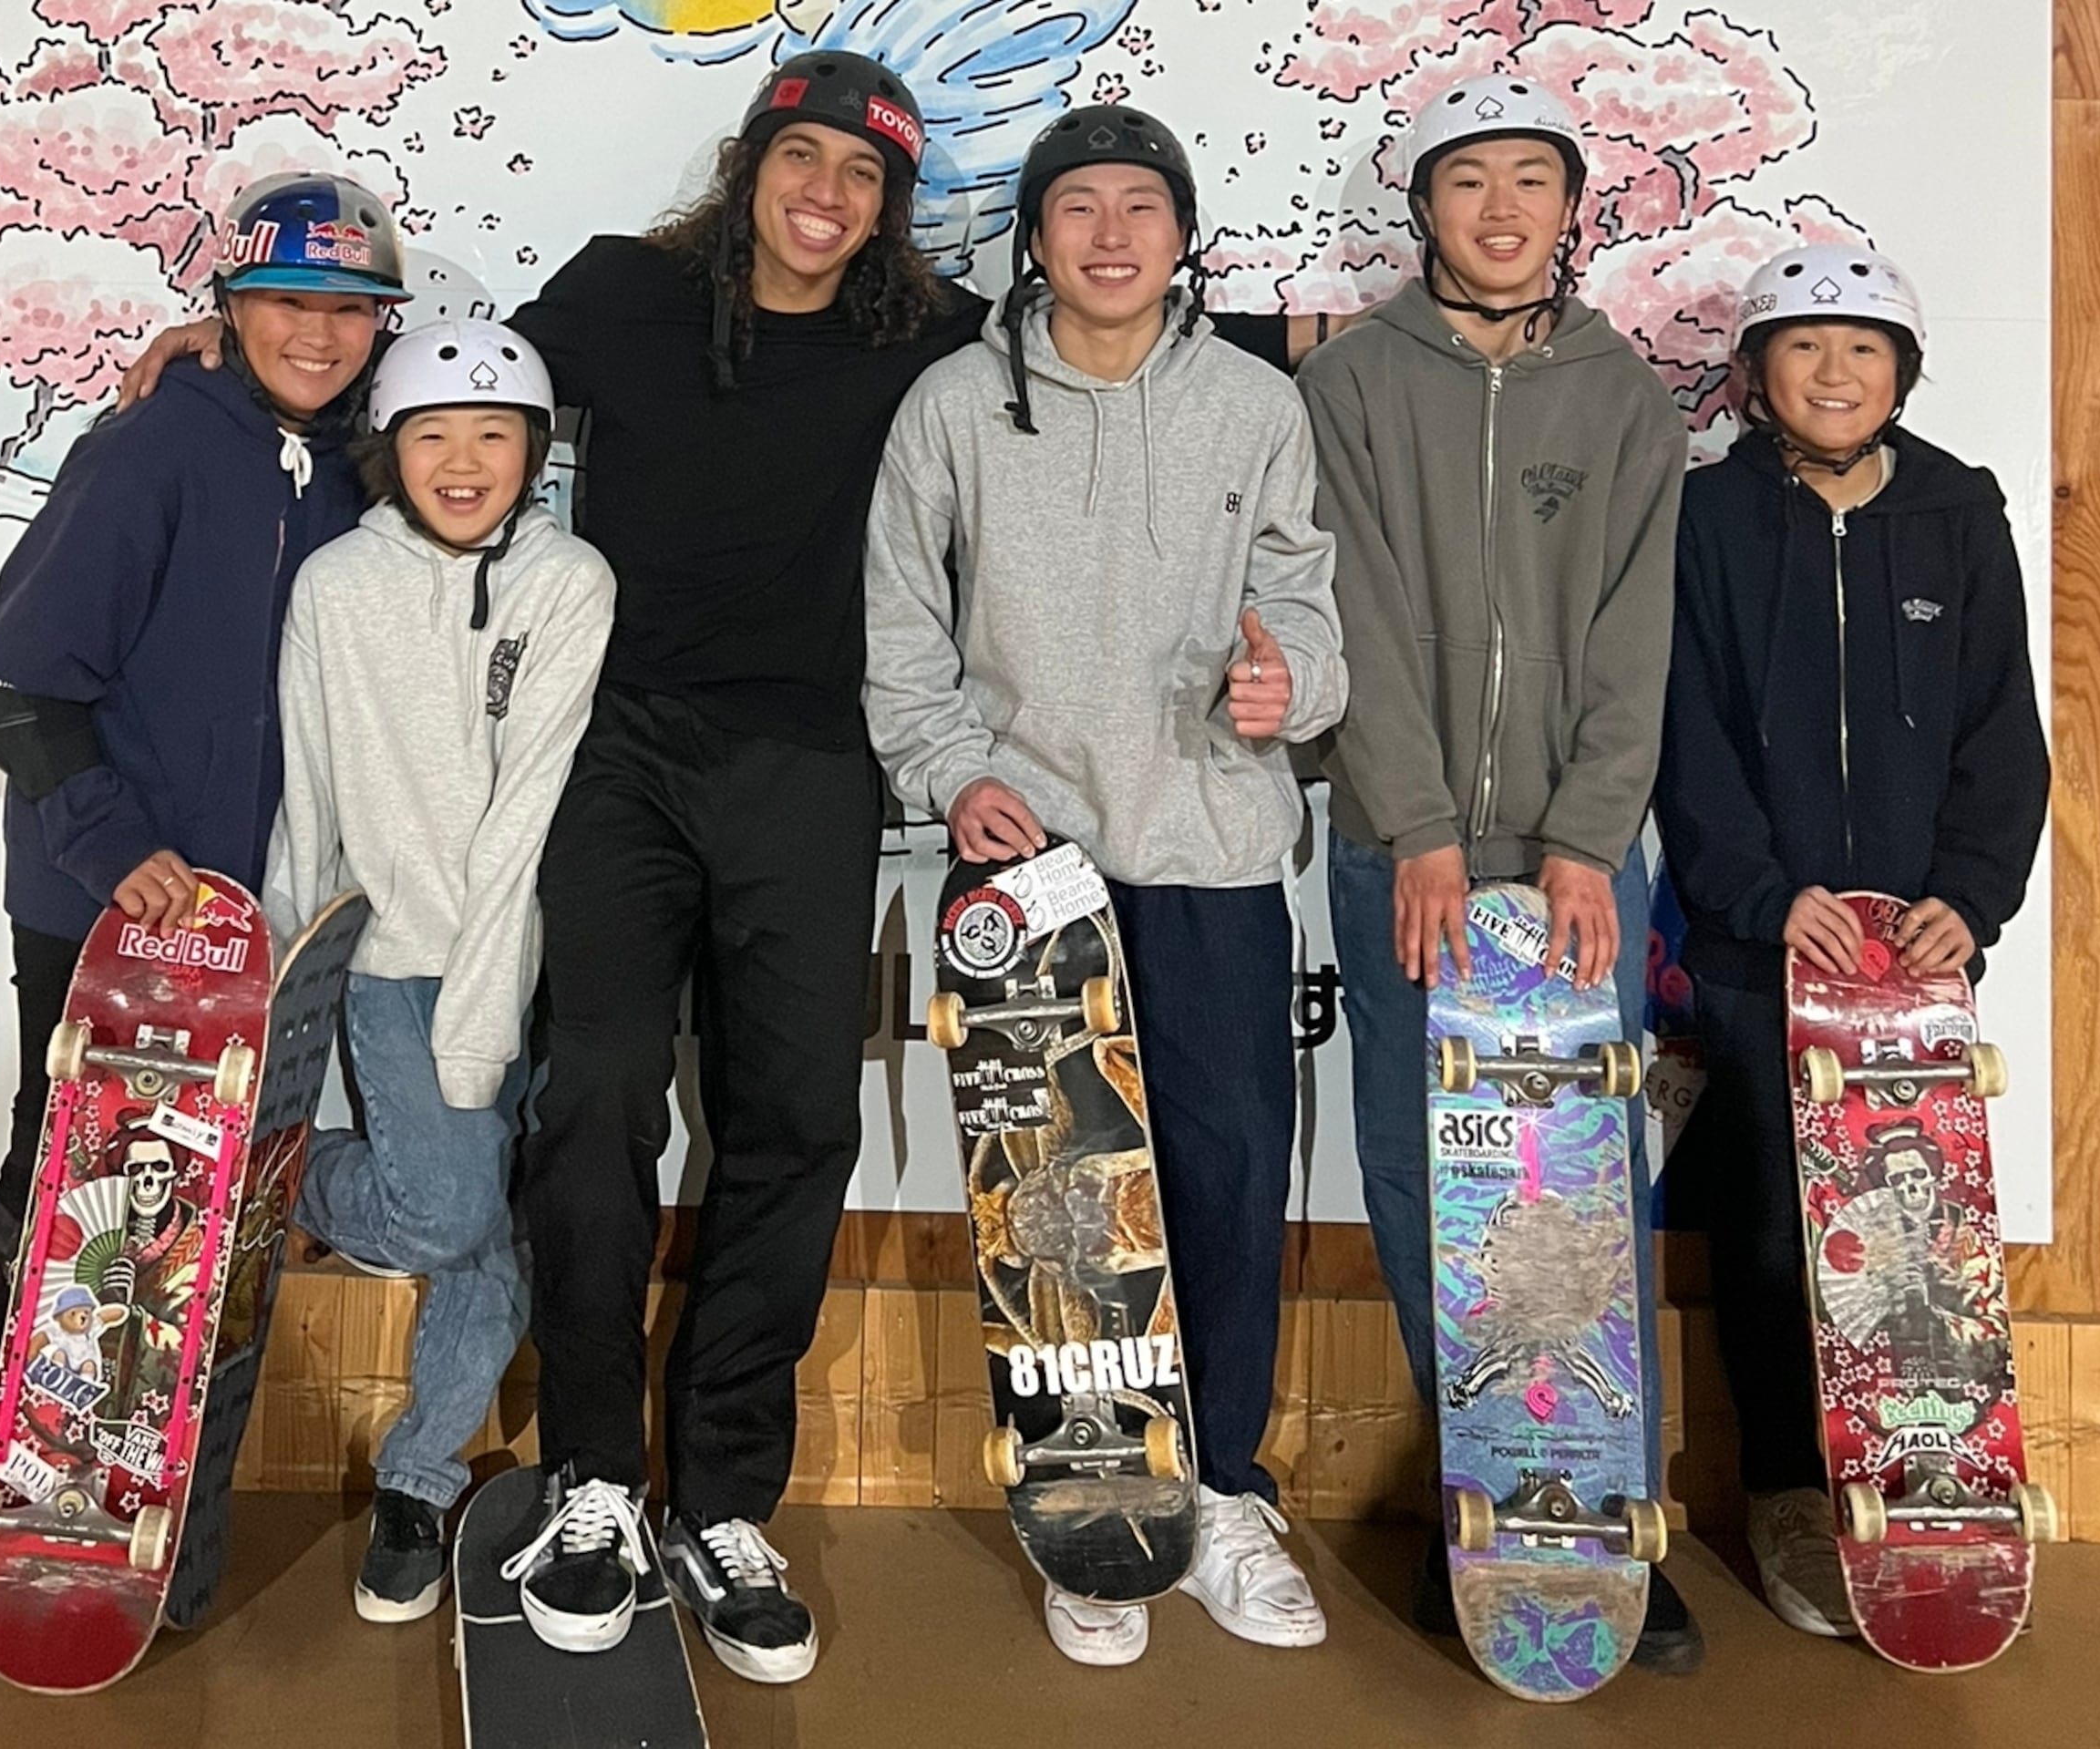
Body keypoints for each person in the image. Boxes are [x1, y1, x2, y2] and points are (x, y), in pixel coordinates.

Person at [118, 57, 1326, 1682]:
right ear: (754, 163)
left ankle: (726, 1498)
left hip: (813, 766)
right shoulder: (627, 292)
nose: (827, 194)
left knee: (798, 1121)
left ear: (895, 207)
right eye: (802, 157)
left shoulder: (929, 335)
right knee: (599, 1094)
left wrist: (1341, 341)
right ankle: (601, 1476)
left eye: (864, 176)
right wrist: (225, 358)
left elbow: (1127, 335)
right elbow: (442, 384)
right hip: (619, 756)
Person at [864, 106, 1347, 1668]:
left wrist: (1300, 690)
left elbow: (1306, 603)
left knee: (1219, 1173)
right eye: (1081, 207)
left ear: (1182, 233)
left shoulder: (1257, 405)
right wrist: (950, 774)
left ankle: (1219, 1493)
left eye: (1143, 205)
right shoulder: (951, 406)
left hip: (1208, 848)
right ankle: (1097, 1504)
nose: (1113, 234)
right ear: (1036, 233)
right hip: (1029, 857)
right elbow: (901, 630)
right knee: (1059, 1211)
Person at [1294, 73, 1703, 1669]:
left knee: (1588, 1193)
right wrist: (1420, 831)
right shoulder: (1349, 388)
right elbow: (1353, 616)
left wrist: (1591, 835)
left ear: (1569, 208)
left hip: (1580, 864)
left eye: (1533, 179)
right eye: (1472, 182)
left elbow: (1635, 630)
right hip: (1407, 857)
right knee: (1427, 1172)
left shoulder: (1624, 399)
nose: (1504, 209)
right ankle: (1486, 1506)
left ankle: (1616, 1533)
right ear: (1425, 212)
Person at [0, 172, 409, 1405]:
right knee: (67, 1176)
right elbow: (15, 689)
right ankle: (24, 1446)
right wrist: (115, 851)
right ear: (228, 304)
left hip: (248, 916)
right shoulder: (152, 444)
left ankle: (137, 1456)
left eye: (351, 309)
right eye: (282, 301)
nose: (316, 334)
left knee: (188, 1200)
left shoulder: (354, 469)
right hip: (102, 901)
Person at [1653, 243, 2048, 1636]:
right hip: (1773, 950)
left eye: (1864, 348)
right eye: (1805, 346)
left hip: (1914, 955)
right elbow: (1684, 731)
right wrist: (1762, 897)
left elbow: (2004, 731)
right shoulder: (1707, 519)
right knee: (1771, 1229)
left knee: (1911, 1233)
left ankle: (1925, 1479)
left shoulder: (1956, 511)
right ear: (1757, 376)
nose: (1835, 372)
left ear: (1902, 373)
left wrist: (1971, 895)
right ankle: (1790, 1497)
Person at [262, 318, 614, 1627]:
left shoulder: (570, 581)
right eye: (432, 436)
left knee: (494, 1232)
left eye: (493, 436)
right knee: (446, 1215)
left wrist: (491, 1011)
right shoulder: (336, 589)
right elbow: (308, 793)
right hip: (391, 960)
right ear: (389, 449)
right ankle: (290, 1179)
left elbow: (525, 814)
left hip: (527, 958)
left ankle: (417, 1481)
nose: (463, 462)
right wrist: (282, 998)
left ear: (534, 452)